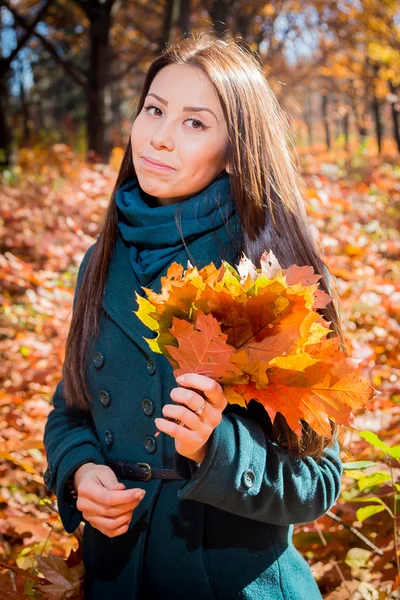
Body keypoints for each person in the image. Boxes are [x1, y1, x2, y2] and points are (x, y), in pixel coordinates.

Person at [43, 34, 346, 600]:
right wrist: (81, 474)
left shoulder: (269, 272)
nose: (159, 136)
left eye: (195, 123)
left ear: (236, 148)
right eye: (154, 110)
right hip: (117, 576)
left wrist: (216, 446)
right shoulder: (101, 260)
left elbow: (319, 480)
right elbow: (72, 409)